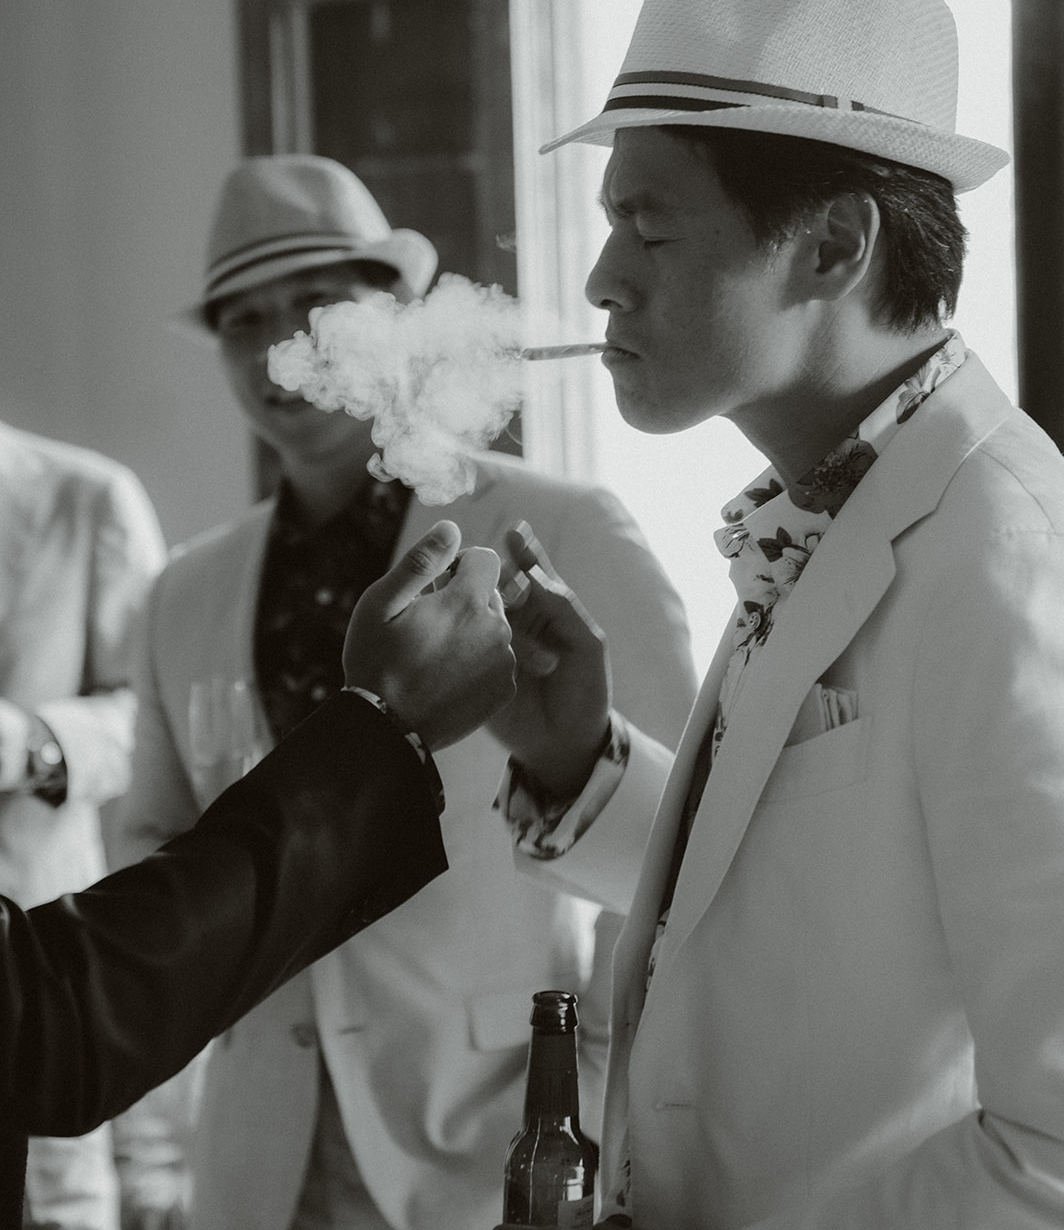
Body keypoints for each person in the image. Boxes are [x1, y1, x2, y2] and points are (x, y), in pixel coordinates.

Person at [490, 0, 1064, 1228]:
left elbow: (1056, 1148)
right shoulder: (833, 505)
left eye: (647, 224)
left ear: (831, 245)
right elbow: (819, 915)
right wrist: (577, 756)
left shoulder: (1006, 559)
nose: (599, 277)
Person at [115, 154, 695, 1230]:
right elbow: (149, 834)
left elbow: (673, 847)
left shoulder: (562, 528)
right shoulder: (185, 590)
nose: (275, 344)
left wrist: (596, 1101)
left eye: (311, 300)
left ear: (398, 315)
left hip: (493, 1136)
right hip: (257, 1154)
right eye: (242, 320)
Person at [2, 518, 514, 1230]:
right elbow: (43, 1016)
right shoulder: (186, 582)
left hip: (471, 1137)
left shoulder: (558, 523)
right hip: (248, 1142)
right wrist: (381, 725)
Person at [0, 418, 167, 1230]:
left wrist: (32, 743)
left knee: (53, 1196)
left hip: (29, 950)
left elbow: (154, 713)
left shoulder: (87, 497)